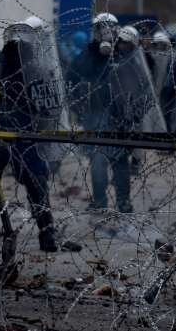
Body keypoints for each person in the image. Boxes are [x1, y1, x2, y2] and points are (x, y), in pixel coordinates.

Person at [0, 18, 77, 272]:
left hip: (25, 135)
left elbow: (52, 104)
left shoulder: (42, 68)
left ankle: (47, 232)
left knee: (36, 179)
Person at [67, 13, 133, 213]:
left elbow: (137, 81)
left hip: (119, 117)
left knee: (120, 161)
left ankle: (123, 202)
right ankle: (100, 201)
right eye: (101, 28)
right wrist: (78, 110)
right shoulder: (87, 55)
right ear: (94, 32)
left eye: (109, 27)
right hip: (94, 116)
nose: (105, 32)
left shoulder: (123, 54)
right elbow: (71, 81)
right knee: (98, 161)